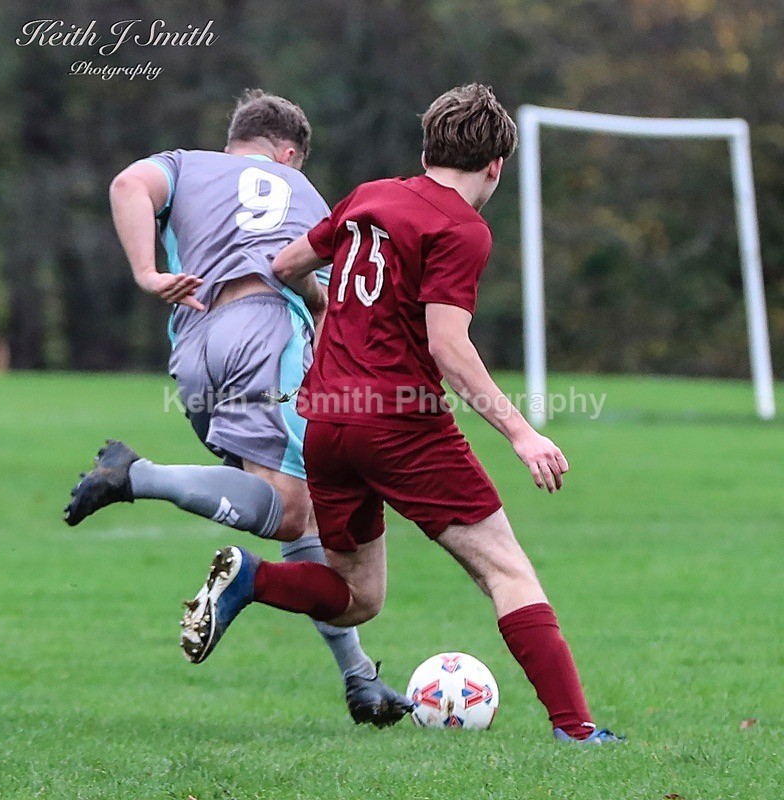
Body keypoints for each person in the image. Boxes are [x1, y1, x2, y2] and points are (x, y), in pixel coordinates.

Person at [180, 84, 623, 743]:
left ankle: (253, 579)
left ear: (426, 148)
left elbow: (287, 262)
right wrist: (522, 432)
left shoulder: (368, 196)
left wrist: (330, 298)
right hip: (402, 426)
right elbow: (448, 345)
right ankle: (578, 729)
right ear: (496, 166)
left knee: (360, 597)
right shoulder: (462, 228)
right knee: (505, 569)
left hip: (328, 423)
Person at [63, 89, 413, 727]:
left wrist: (145, 271)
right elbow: (312, 286)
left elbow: (125, 185)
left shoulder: (186, 164)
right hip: (264, 332)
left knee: (298, 511)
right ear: (288, 153)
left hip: (193, 345)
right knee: (288, 509)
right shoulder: (303, 193)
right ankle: (133, 475)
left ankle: (361, 680)